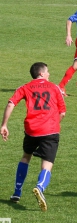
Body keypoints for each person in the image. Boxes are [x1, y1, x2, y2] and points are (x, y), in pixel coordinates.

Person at [0, 62, 66, 211]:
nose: (49, 74)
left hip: (31, 130)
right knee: (47, 163)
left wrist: (4, 125)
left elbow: (11, 103)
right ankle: (40, 187)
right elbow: (62, 112)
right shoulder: (54, 87)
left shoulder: (25, 87)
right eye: (47, 71)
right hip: (50, 130)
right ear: (41, 73)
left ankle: (17, 192)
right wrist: (53, 123)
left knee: (26, 157)